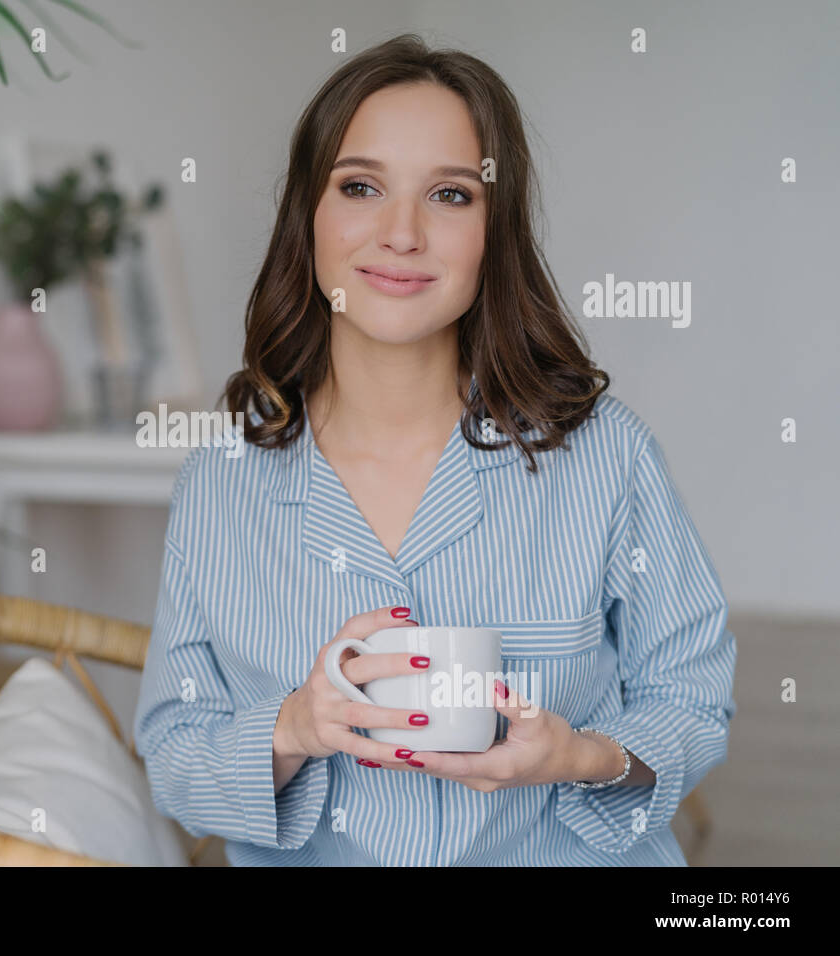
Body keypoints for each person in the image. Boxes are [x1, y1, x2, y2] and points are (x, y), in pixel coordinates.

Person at [132, 34, 736, 866]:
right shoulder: (220, 482)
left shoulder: (607, 457)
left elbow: (692, 701)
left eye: (450, 195)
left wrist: (578, 755)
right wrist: (296, 726)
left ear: (495, 231)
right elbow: (173, 754)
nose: (401, 232)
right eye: (361, 186)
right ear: (307, 218)